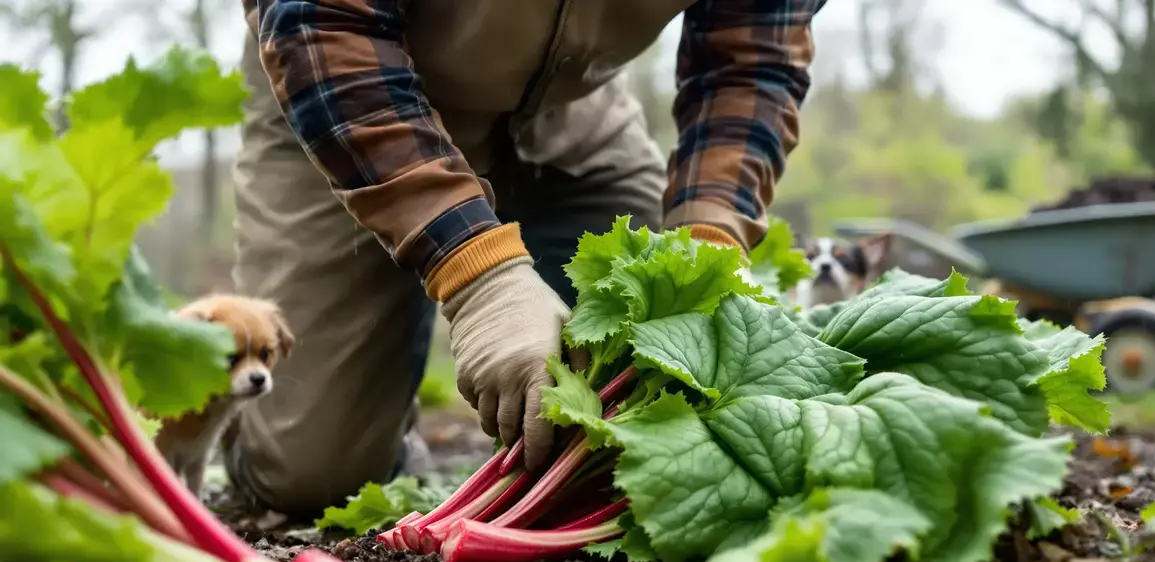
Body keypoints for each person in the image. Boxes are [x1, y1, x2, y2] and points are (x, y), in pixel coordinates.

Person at [226, 0, 824, 516]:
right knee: (310, 478)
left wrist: (709, 243)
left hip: (570, 113)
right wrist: (478, 276)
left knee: (651, 390)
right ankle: (360, 417)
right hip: (343, 96)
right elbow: (321, 17)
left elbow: (752, 58)